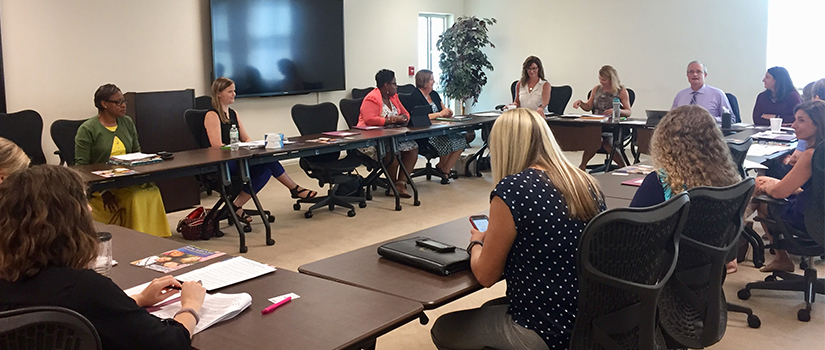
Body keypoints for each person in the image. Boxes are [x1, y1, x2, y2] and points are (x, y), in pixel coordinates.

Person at [430, 108, 605, 350]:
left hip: (543, 328)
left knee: (444, 328)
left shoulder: (513, 190)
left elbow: (486, 275)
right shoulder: (585, 182)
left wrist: (477, 242)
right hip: (586, 318)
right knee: (487, 310)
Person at [0, 165, 207, 350]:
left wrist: (137, 300)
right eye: (84, 201)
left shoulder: (11, 278)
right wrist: (190, 306)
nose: (90, 208)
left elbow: (50, 311)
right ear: (69, 218)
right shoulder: (85, 288)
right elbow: (169, 343)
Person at [629, 105, 741, 271]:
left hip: (662, 270)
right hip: (706, 269)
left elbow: (632, 234)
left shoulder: (660, 182)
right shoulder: (729, 181)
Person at [205, 77, 316, 222]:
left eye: (234, 91)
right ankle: (295, 189)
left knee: (267, 167)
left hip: (238, 157)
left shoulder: (233, 113)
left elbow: (246, 138)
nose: (234, 94)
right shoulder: (212, 115)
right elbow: (216, 145)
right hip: (224, 161)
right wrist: (237, 149)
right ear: (219, 93)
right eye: (230, 91)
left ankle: (236, 206)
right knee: (269, 163)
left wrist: (248, 147)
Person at [75, 84, 171, 238]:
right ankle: (138, 238)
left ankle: (155, 239)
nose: (124, 105)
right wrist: (103, 190)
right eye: (118, 102)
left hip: (128, 178)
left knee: (152, 191)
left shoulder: (127, 122)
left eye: (124, 100)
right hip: (103, 186)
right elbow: (81, 167)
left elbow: (136, 153)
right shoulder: (87, 129)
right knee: (136, 198)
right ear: (104, 104)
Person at [751, 100, 824, 273]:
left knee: (760, 195)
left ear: (817, 124)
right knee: (764, 183)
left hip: (813, 221)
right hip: (818, 211)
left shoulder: (810, 155)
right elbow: (817, 190)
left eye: (801, 120)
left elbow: (778, 192)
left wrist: (768, 186)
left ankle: (780, 258)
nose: (793, 125)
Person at [358, 69, 419, 198]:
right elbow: (369, 120)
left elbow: (406, 113)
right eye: (394, 84)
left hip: (392, 136)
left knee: (413, 148)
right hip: (372, 139)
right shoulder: (372, 98)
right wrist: (390, 120)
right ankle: (391, 185)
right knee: (392, 152)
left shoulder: (394, 97)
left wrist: (403, 118)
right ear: (386, 85)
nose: (396, 87)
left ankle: (401, 183)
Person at [406, 69, 467, 182]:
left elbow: (443, 108)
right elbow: (418, 118)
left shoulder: (433, 94)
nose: (434, 82)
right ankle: (443, 171)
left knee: (461, 140)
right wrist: (439, 114)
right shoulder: (414, 97)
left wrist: (447, 112)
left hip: (440, 129)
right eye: (431, 79)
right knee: (449, 143)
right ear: (424, 81)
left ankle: (444, 169)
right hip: (426, 135)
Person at [571, 65, 632, 169]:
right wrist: (581, 103)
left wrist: (617, 110)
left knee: (606, 142)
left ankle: (622, 166)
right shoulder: (596, 89)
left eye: (604, 80)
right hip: (597, 124)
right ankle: (583, 166)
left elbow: (628, 112)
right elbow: (588, 106)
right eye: (600, 79)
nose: (601, 82)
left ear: (611, 79)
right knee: (595, 140)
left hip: (613, 126)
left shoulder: (621, 91)